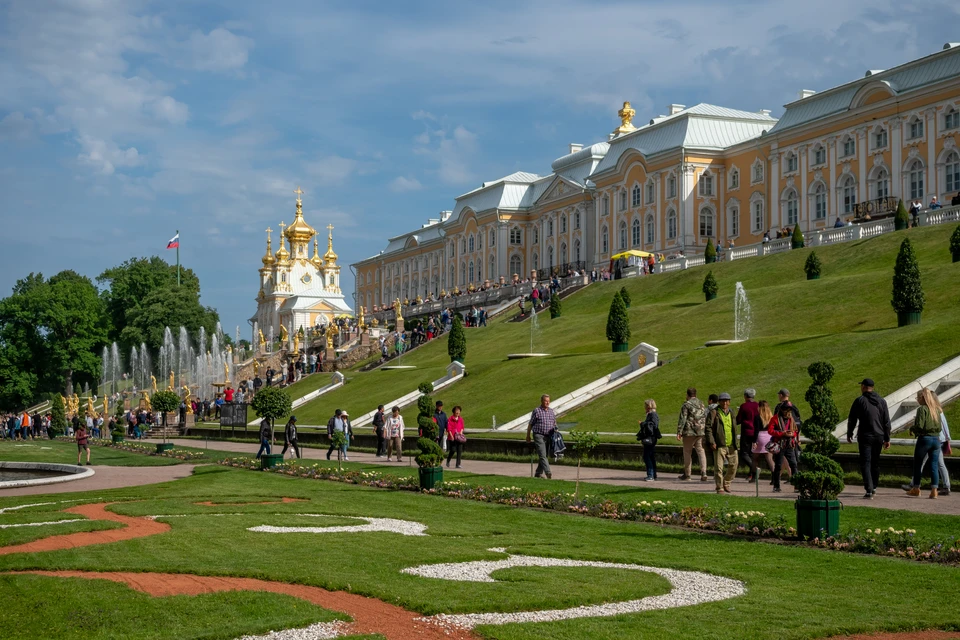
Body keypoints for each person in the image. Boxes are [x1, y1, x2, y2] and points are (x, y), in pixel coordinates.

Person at [846, 377, 892, 499]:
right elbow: (886, 421)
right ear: (873, 388)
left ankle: (869, 489)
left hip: (865, 435)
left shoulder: (860, 400)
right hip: (879, 435)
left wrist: (849, 433)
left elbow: (852, 419)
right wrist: (887, 438)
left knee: (865, 462)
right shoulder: (881, 401)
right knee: (875, 462)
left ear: (863, 387)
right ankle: (875, 486)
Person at [906, 388, 944, 499]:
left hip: (925, 439)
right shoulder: (937, 409)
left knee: (918, 464)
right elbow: (940, 426)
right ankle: (934, 490)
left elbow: (920, 425)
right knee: (934, 465)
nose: (917, 400)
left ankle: (916, 488)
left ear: (922, 398)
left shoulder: (922, 409)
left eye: (917, 398)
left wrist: (912, 429)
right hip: (936, 439)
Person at [705, 392, 738, 494]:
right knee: (719, 468)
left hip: (731, 444)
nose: (725, 403)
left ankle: (726, 482)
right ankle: (719, 487)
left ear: (729, 402)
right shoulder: (714, 412)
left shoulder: (731, 412)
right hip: (719, 444)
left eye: (726, 401)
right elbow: (708, 428)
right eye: (723, 401)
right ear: (719, 402)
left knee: (734, 465)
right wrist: (712, 441)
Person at [676, 388, 708, 482]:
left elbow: (683, 418)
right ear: (695, 394)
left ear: (687, 395)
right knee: (701, 451)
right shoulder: (701, 403)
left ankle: (688, 474)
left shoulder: (686, 405)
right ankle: (704, 472)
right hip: (700, 431)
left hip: (689, 432)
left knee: (687, 453)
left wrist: (679, 432)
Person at [768, 403, 799, 493]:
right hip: (779, 445)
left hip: (789, 445)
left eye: (789, 410)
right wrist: (782, 433)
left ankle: (797, 485)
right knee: (778, 465)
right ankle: (776, 486)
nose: (787, 412)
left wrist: (792, 434)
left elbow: (796, 430)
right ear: (782, 410)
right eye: (786, 410)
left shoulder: (791, 419)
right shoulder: (775, 418)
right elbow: (770, 431)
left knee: (794, 464)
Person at [526, 394, 557, 479]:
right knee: (543, 455)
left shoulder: (551, 411)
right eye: (545, 401)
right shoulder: (537, 410)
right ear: (542, 401)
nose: (547, 402)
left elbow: (554, 423)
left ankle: (538, 473)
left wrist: (556, 433)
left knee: (544, 455)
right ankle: (548, 473)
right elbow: (530, 424)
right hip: (539, 435)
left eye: (548, 401)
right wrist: (528, 435)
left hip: (549, 436)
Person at [736, 388, 760, 482]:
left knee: (744, 453)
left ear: (745, 396)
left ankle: (754, 469)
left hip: (746, 432)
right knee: (751, 454)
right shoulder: (757, 405)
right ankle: (752, 475)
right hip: (756, 432)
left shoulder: (744, 406)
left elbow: (739, 420)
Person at [752, 400, 776, 482]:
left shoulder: (757, 417)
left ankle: (754, 477)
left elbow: (756, 430)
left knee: (755, 458)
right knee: (770, 459)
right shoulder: (771, 417)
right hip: (769, 437)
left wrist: (754, 441)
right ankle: (774, 478)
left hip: (760, 436)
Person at [637, 399, 661, 481]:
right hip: (651, 437)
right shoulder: (651, 414)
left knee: (647, 456)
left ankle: (650, 474)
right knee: (650, 456)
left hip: (651, 438)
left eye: (645, 406)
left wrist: (643, 424)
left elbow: (653, 426)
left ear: (648, 406)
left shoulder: (653, 415)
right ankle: (653, 474)